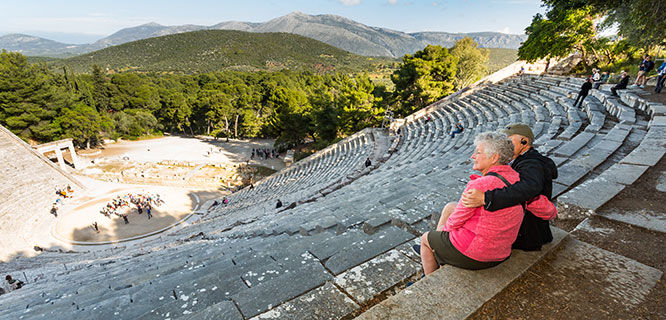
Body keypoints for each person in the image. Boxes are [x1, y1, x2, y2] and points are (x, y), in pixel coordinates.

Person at [416, 132, 556, 275]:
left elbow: (454, 222)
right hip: (500, 253)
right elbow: (550, 212)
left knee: (426, 239)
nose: (472, 156)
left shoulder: (480, 185)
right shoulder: (518, 181)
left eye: (478, 152)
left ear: (494, 157)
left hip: (476, 254)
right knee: (451, 206)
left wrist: (439, 243)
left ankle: (430, 275)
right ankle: (440, 253)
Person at [461, 123, 558, 251]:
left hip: (528, 234)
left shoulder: (532, 164)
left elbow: (529, 187)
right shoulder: (523, 160)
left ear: (524, 142)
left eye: (509, 140)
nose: (505, 144)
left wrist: (487, 198)